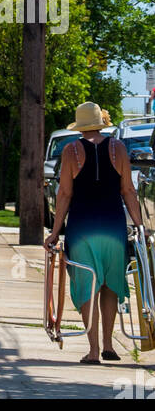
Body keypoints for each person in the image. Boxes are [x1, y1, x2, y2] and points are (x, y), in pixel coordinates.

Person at [45, 101, 144, 364]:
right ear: (101, 122)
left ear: (80, 126)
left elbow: (65, 193)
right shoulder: (119, 148)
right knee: (110, 285)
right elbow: (128, 192)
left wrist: (55, 232)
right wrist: (140, 225)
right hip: (113, 227)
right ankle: (110, 346)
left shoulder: (70, 151)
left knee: (88, 285)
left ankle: (92, 351)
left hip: (82, 228)